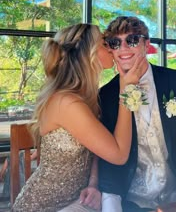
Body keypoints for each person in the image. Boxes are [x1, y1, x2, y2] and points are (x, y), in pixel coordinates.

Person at [80, 16, 176, 212]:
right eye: (115, 43)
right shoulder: (106, 95)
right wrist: (111, 202)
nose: (124, 48)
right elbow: (108, 157)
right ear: (110, 49)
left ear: (147, 44)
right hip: (133, 201)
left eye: (133, 40)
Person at [12, 23, 145, 212]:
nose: (111, 47)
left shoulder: (85, 98)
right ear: (88, 54)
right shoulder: (66, 103)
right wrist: (126, 91)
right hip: (43, 206)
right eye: (103, 43)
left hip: (77, 201)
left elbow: (94, 151)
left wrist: (93, 182)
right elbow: (119, 155)